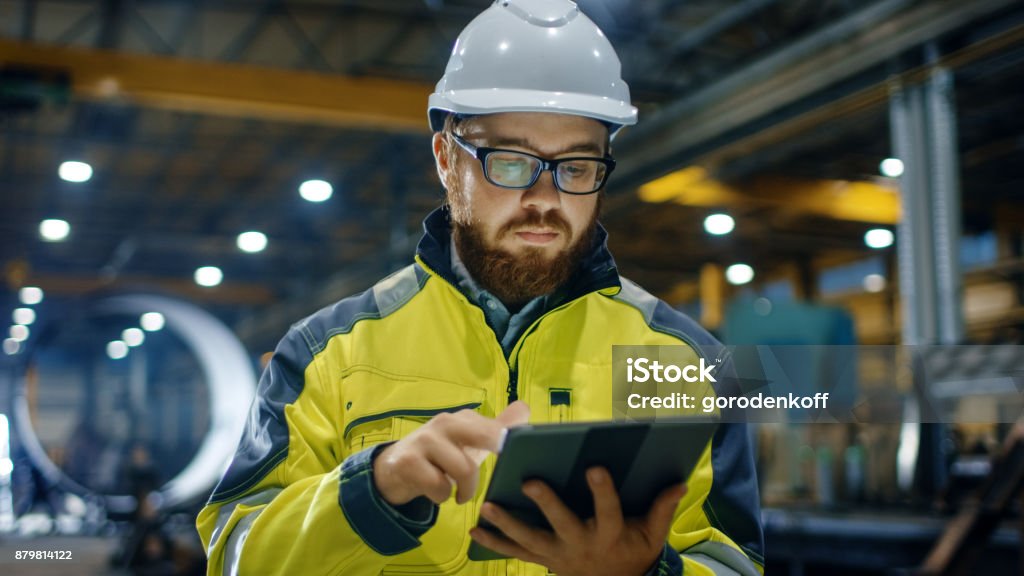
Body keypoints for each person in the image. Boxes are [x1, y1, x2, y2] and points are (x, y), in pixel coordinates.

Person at [197, 1, 764, 574]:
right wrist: (372, 490)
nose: (545, 198)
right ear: (447, 160)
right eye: (511, 162)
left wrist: (645, 572)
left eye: (575, 167)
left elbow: (733, 562)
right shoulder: (326, 354)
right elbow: (235, 555)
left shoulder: (690, 365)